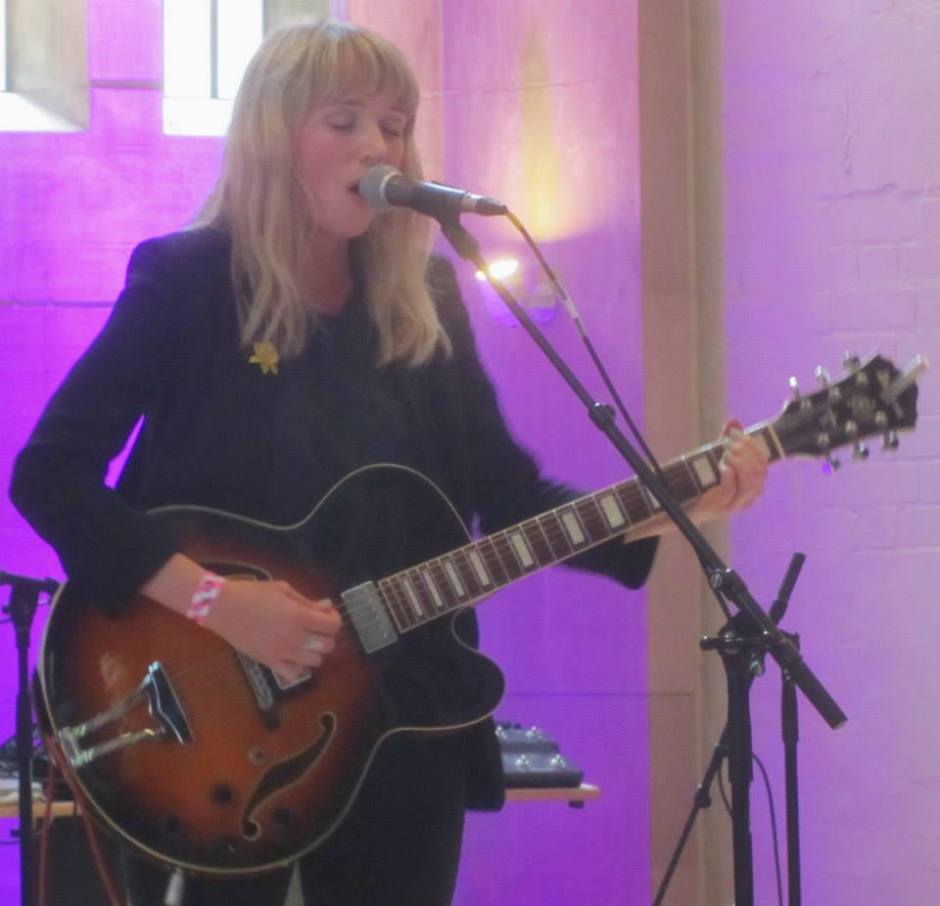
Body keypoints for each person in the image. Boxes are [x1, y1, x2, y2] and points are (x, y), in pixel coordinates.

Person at [9, 19, 768, 906]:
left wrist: (679, 503)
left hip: (402, 717)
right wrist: (219, 602)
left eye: (395, 124)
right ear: (273, 135)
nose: (378, 145)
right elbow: (49, 476)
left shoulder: (424, 297)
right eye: (344, 121)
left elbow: (508, 495)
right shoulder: (190, 279)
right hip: (199, 726)